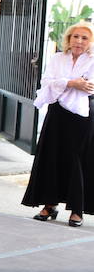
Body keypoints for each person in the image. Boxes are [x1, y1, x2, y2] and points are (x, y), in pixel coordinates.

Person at [23, 22, 94, 227]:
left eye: (84, 38)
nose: (79, 41)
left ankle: (77, 209)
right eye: (75, 36)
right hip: (57, 113)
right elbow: (47, 83)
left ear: (90, 42)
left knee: (77, 160)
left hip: (83, 115)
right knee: (52, 157)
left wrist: (64, 82)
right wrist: (71, 83)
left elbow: (89, 86)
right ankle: (49, 204)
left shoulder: (92, 60)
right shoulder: (57, 58)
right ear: (69, 39)